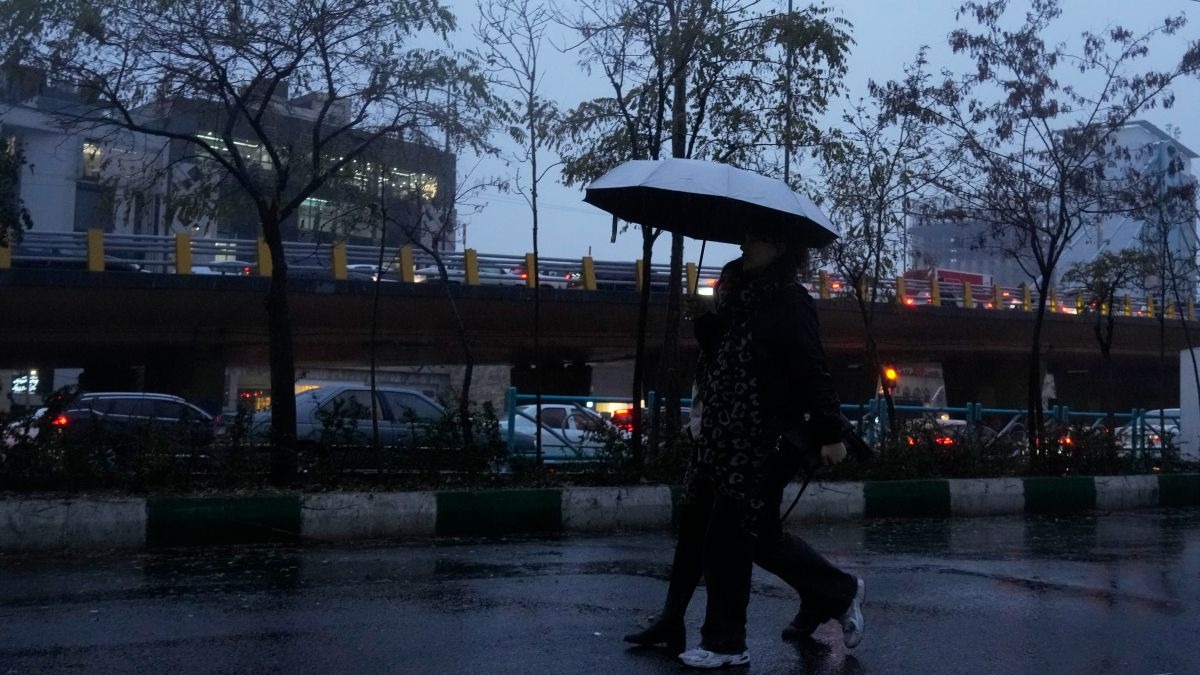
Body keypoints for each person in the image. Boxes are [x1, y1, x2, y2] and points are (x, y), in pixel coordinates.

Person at [623, 227, 865, 669]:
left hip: (761, 439)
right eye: (745, 237)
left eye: (755, 239)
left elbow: (812, 366)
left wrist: (831, 432)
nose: (742, 245)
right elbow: (725, 355)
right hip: (720, 436)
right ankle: (833, 592)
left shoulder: (790, 301)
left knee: (727, 536)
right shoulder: (738, 294)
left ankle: (726, 643)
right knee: (743, 535)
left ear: (780, 245)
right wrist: (705, 317)